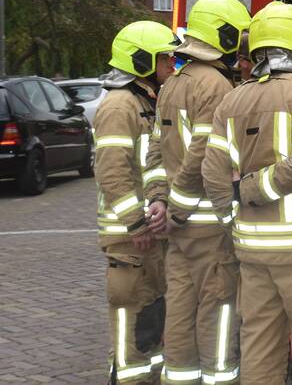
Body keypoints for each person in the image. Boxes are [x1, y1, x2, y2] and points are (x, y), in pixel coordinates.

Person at [202, 1, 292, 384]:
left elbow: (213, 173)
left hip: (254, 254)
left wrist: (233, 216)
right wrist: (250, 190)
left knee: (259, 351)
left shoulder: (231, 101)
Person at [146, 0, 251, 385]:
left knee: (180, 309)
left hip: (180, 230)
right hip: (208, 225)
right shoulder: (218, 86)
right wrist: (177, 207)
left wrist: (161, 201)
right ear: (224, 35)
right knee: (217, 311)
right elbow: (205, 156)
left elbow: (156, 150)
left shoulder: (173, 83)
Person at [94, 20, 178, 383]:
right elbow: (112, 171)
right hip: (130, 241)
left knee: (148, 330)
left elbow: (150, 165)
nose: (171, 66)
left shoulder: (144, 102)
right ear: (142, 61)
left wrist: (155, 207)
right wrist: (136, 222)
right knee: (132, 341)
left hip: (144, 237)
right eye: (165, 59)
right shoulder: (119, 106)